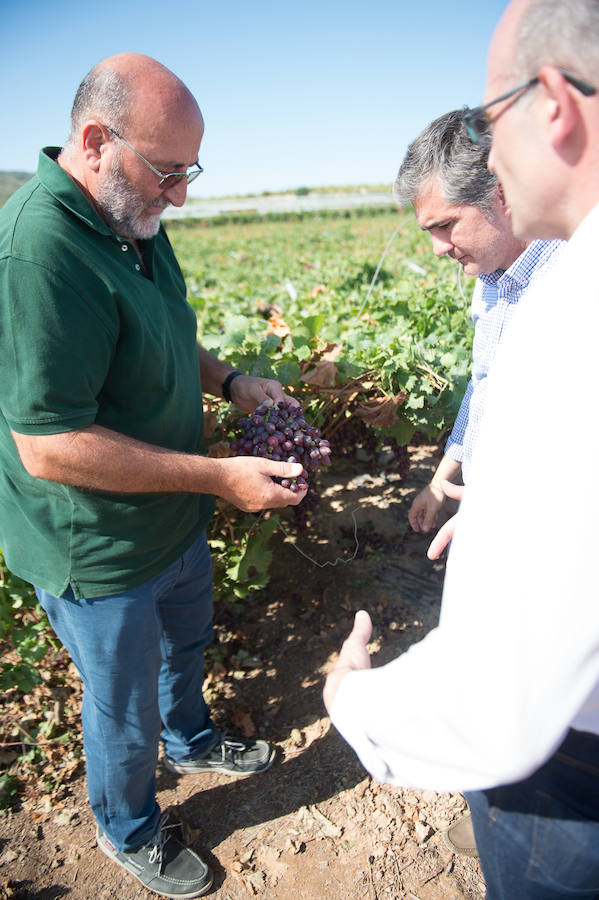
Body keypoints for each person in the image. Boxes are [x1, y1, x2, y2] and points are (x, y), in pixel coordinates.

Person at [0, 54, 307, 899]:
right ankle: (127, 825)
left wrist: (232, 382)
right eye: (168, 172)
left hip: (170, 512)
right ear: (96, 141)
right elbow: (49, 445)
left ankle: (194, 739)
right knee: (120, 707)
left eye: (187, 173)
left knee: (186, 646)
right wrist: (215, 475)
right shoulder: (38, 252)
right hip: (96, 545)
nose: (179, 196)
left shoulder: (129, 216)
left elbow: (167, 332)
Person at [324, 1, 599, 896]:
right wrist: (468, 481)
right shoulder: (533, 292)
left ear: (551, 102)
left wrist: (352, 699)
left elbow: (504, 701)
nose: (493, 144)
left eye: (493, 114)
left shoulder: (573, 313)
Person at [394, 110, 562, 559]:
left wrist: (508, 508)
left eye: (446, 225)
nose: (438, 249)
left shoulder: (573, 281)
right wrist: (441, 481)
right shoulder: (489, 285)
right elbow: (484, 386)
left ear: (501, 193)